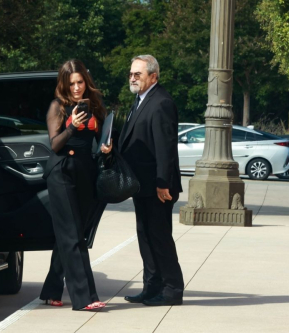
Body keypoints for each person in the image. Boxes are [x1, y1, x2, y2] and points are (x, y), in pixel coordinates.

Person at [39, 59, 112, 311]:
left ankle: (50, 291)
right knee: (73, 237)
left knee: (71, 234)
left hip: (85, 173)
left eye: (80, 82)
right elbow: (55, 144)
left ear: (86, 81)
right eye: (72, 84)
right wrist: (72, 127)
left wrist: (106, 146)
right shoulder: (57, 107)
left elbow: (101, 138)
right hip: (62, 173)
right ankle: (85, 298)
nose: (77, 88)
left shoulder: (95, 106)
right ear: (64, 84)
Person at [119, 55, 184, 306]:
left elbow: (165, 148)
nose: (133, 78)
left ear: (153, 77)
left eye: (138, 74)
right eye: (131, 74)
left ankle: (172, 290)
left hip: (158, 187)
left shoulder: (161, 102)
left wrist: (162, 183)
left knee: (159, 238)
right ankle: (151, 287)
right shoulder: (140, 100)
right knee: (145, 236)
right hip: (142, 185)